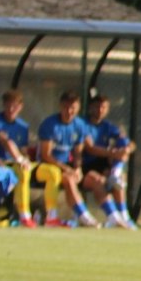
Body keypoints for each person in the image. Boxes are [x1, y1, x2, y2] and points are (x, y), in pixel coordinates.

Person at [36, 90, 98, 227]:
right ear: (60, 106)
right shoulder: (50, 124)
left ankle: (117, 216)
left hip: (66, 168)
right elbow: (46, 155)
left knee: (95, 178)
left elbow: (78, 152)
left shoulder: (80, 125)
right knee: (68, 178)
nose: (69, 111)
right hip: (45, 167)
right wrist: (67, 169)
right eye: (66, 107)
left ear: (78, 108)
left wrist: (77, 169)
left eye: (73, 108)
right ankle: (84, 216)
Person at [0, 89, 42, 226]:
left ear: (20, 107)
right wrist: (21, 159)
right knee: (11, 175)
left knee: (20, 173)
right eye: (8, 105)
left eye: (14, 106)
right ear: (3, 105)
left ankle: (22, 215)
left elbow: (23, 149)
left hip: (13, 163)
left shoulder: (23, 126)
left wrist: (25, 158)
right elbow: (4, 141)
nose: (11, 109)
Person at [80, 94, 138, 229]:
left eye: (104, 107)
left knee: (119, 177)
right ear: (90, 107)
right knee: (98, 180)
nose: (100, 110)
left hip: (102, 164)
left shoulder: (108, 126)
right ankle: (113, 217)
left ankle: (125, 216)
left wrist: (127, 149)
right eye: (97, 106)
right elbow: (90, 149)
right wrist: (113, 153)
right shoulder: (82, 124)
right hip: (85, 165)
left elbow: (130, 144)